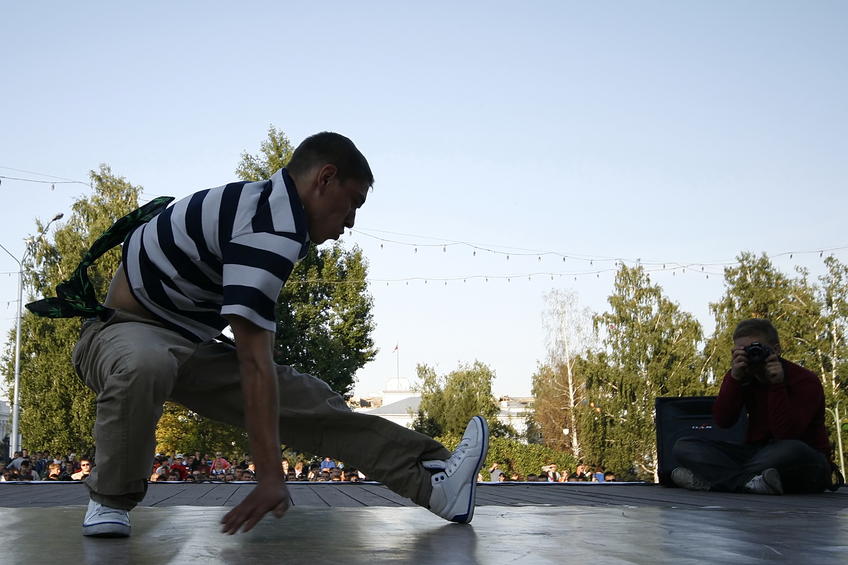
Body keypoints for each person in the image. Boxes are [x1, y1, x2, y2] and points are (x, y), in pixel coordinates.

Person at [52, 132, 488, 537]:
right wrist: (269, 476)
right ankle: (110, 500)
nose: (352, 221)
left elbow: (259, 369)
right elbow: (254, 362)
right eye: (353, 203)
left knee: (306, 400)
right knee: (147, 363)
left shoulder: (272, 212)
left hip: (188, 343)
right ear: (325, 178)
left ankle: (434, 482)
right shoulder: (266, 229)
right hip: (119, 333)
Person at [672, 318, 834, 495]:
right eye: (744, 351)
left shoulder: (804, 380)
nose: (752, 355)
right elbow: (723, 420)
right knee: (684, 446)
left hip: (804, 459)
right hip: (757, 454)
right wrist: (734, 379)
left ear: (776, 350)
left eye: (757, 349)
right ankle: (752, 483)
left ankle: (717, 482)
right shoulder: (742, 376)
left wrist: (777, 385)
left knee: (790, 449)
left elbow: (786, 434)